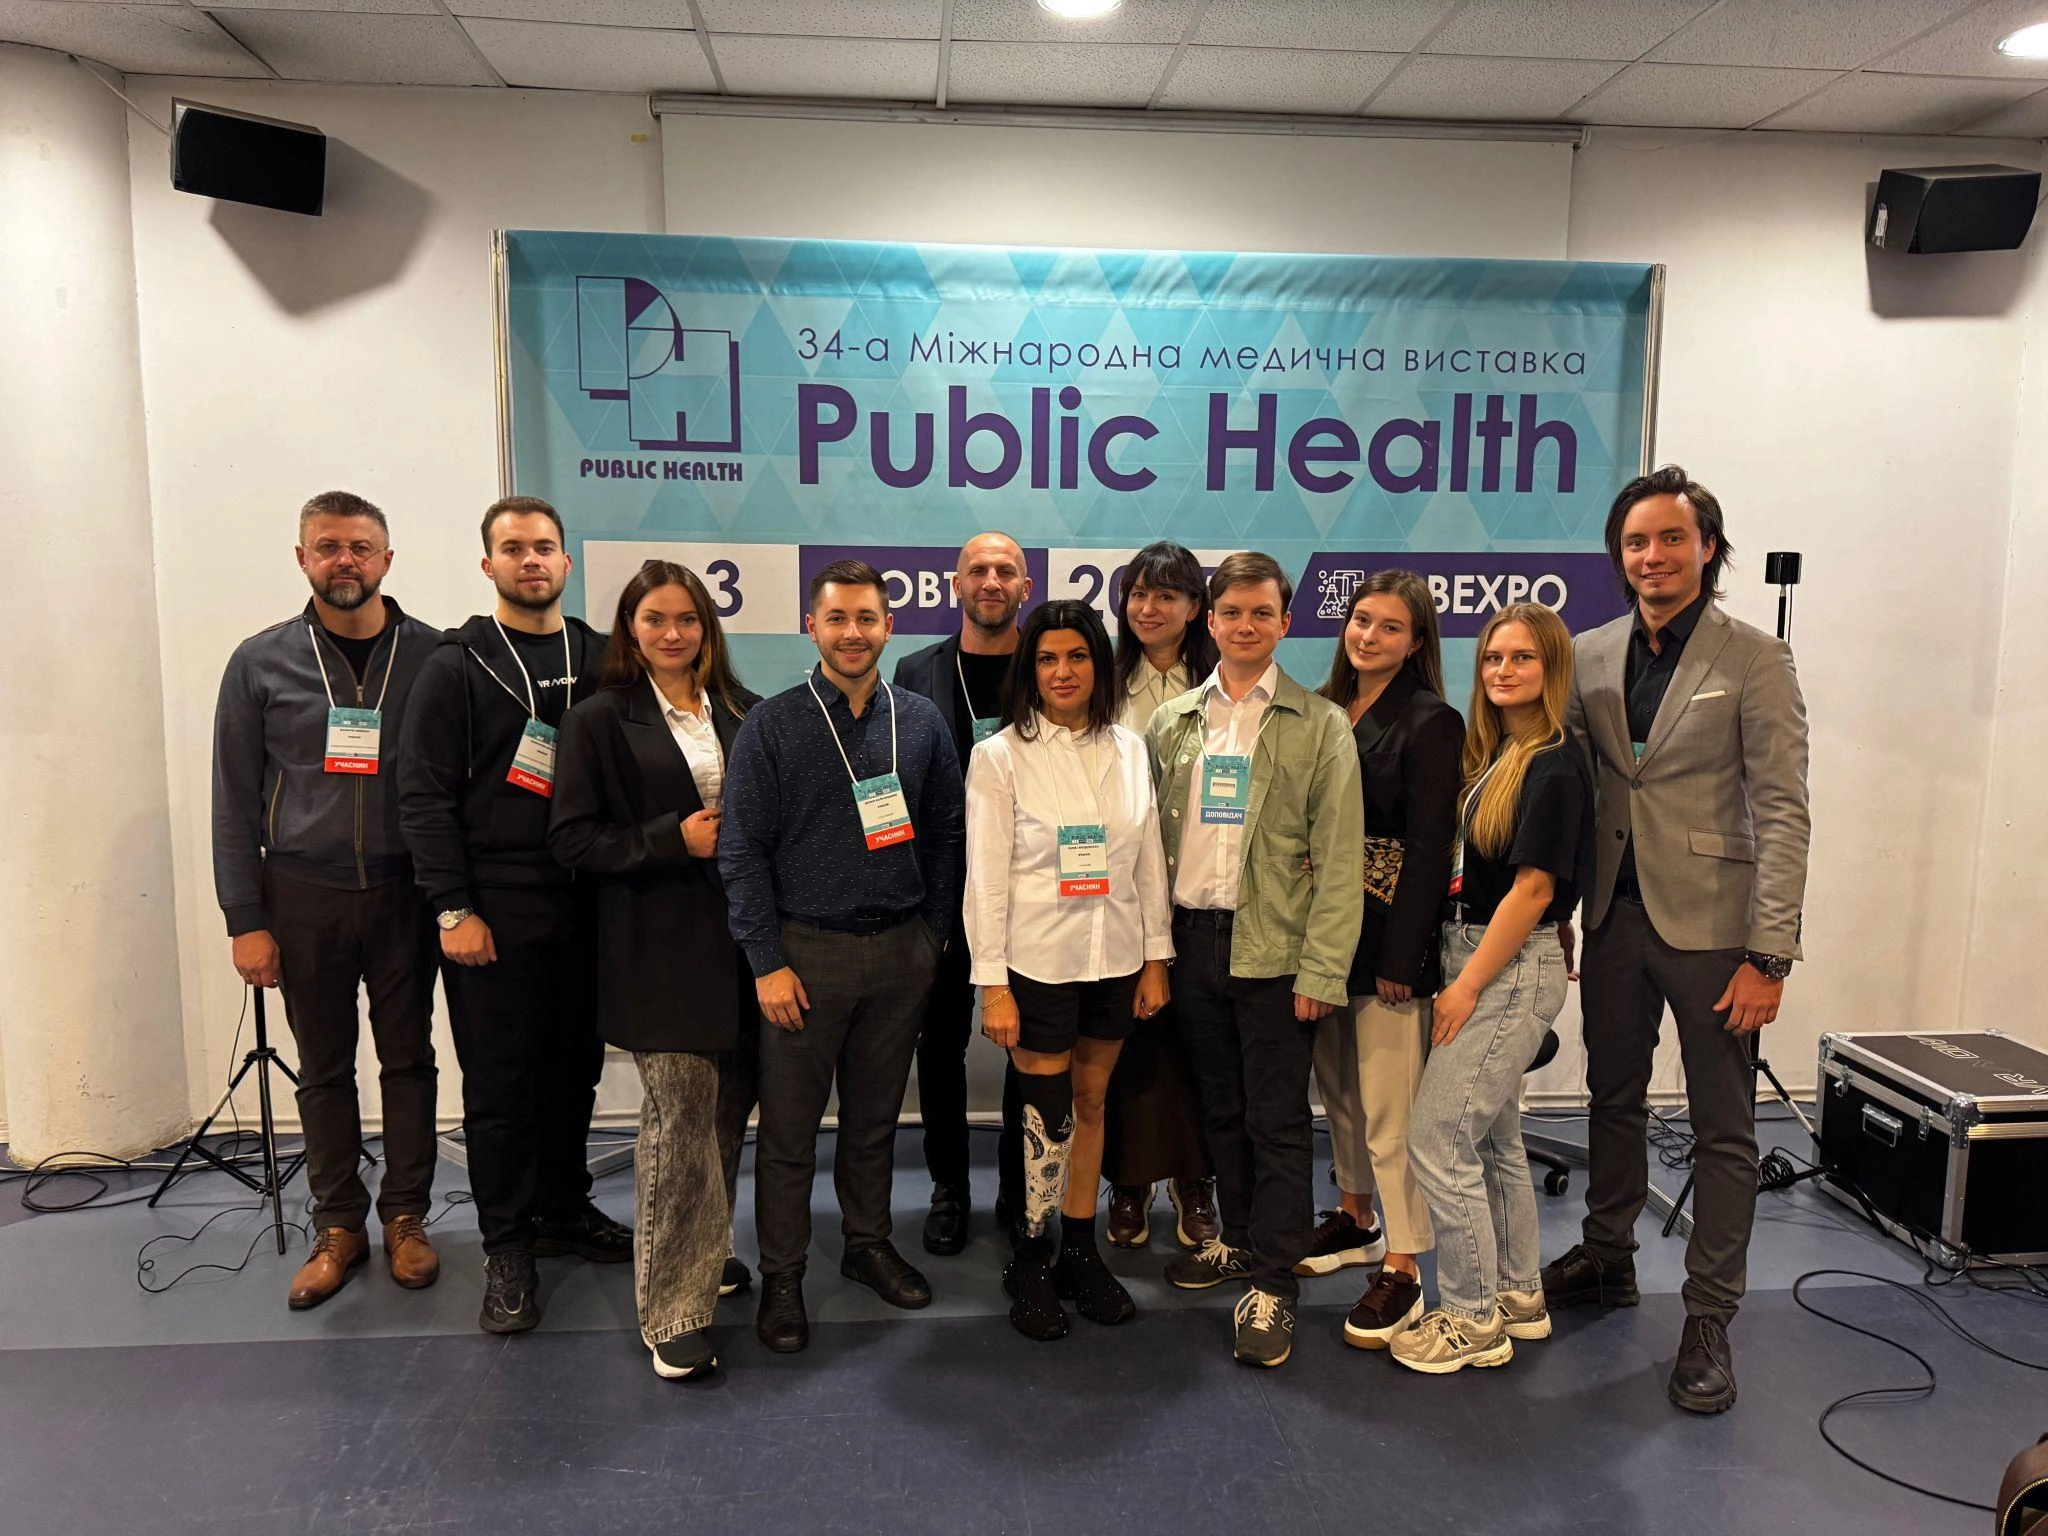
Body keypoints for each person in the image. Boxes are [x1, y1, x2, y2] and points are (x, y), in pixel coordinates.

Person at [1540, 466, 1810, 1415]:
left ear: (1707, 548)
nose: (1652, 556)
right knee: (1611, 1097)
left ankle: (1708, 1317)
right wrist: (1559, 913)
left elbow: (1783, 811)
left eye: (1670, 539)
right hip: (1613, 918)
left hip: (1715, 933)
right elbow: (1569, 792)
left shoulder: (1756, 659)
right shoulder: (1591, 653)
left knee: (1722, 1129)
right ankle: (1607, 1256)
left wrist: (1770, 955)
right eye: (1636, 542)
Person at [720, 559, 966, 1354]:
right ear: (812, 627)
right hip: (804, 956)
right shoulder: (773, 724)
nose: (853, 633)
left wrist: (932, 937)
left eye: (867, 618)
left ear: (889, 626)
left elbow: (948, 834)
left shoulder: (920, 721)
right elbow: (741, 850)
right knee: (789, 1134)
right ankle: (783, 1275)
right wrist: (766, 961)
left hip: (901, 954)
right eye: (837, 618)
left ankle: (866, 1244)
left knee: (873, 1122)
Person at [397, 496, 628, 1337]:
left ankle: (564, 1208)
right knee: (500, 1087)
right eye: (514, 548)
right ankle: (507, 1245)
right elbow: (422, 797)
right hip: (494, 907)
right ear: (488, 564)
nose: (531, 560)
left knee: (575, 1073)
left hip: (589, 902)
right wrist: (453, 907)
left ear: (566, 562)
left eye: (544, 547)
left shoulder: (603, 658)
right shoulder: (454, 667)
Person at [212, 490, 442, 1311]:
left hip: (407, 890)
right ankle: (339, 1224)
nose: (345, 560)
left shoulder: (434, 656)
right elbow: (233, 800)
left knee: (409, 1059)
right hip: (303, 893)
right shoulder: (260, 662)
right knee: (323, 1068)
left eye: (360, 546)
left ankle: (406, 1216)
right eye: (328, 546)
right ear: (302, 558)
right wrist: (245, 919)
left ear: (387, 559)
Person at [1147, 551, 1363, 1368]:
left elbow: (1338, 861)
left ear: (1285, 623)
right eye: (1231, 612)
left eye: (1261, 613)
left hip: (1276, 951)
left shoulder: (1321, 725)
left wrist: (1322, 971)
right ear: (1210, 621)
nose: (1245, 625)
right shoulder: (1172, 723)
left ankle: (1275, 1282)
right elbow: (1148, 849)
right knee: (1220, 1111)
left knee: (1276, 1122)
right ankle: (1238, 1239)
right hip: (1192, 943)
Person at [549, 560, 759, 1381]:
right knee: (678, 1127)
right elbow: (573, 838)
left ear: (708, 628)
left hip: (744, 949)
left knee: (723, 1119)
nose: (673, 633)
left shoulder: (741, 711)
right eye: (655, 619)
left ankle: (703, 1254)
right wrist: (674, 839)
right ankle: (671, 1311)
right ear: (630, 630)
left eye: (687, 619)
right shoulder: (598, 720)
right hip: (657, 952)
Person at [1392, 603, 1592, 1375]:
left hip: (1501, 966)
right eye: (1493, 658)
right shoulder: (1501, 754)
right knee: (1495, 1139)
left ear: (1553, 668)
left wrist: (1466, 986)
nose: (1503, 671)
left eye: (1522, 658)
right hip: (1481, 952)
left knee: (1438, 1138)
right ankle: (1517, 1293)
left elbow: (1534, 889)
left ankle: (1472, 1319)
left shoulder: (1554, 763)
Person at [964, 600, 1172, 1340]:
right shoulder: (999, 756)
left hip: (1115, 956)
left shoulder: (1130, 749)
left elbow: (1147, 860)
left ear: (1099, 666)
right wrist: (993, 984)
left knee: (1091, 1104)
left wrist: (1156, 958)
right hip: (1038, 962)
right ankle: (1031, 1253)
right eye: (1048, 658)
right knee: (1044, 1118)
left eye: (1077, 657)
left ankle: (1079, 1249)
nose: (1063, 672)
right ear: (1030, 669)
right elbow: (986, 879)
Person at [1305, 572, 1463, 1351]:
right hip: (1324, 931)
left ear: (1417, 641)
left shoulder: (1433, 721)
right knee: (1338, 1090)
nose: (1369, 636)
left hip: (1389, 936)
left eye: (1390, 627)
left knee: (1391, 1107)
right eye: (1361, 620)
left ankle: (1404, 1262)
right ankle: (1356, 1214)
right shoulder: (1324, 709)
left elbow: (1432, 847)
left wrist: (1406, 954)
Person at [892, 532, 1032, 1256]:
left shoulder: (1050, 665)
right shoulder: (914, 672)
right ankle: (949, 1186)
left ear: (1026, 586)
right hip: (940, 886)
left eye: (1005, 570)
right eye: (978, 570)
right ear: (955, 585)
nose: (991, 581)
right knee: (939, 1042)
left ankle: (1018, 1183)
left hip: (1032, 890)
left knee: (1030, 1045)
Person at [1101, 542, 1220, 1253]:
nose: (1149, 608)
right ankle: (1131, 1179)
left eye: (1166, 595)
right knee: (1131, 1046)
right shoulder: (1104, 682)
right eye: (1139, 594)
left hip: (1203, 895)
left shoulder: (1225, 684)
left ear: (1195, 608)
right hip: (1114, 897)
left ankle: (1195, 1180)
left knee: (1197, 1046)